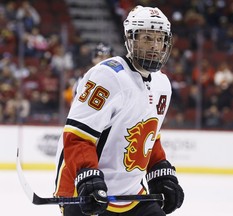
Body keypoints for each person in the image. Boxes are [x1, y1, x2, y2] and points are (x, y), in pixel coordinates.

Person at [53, 5, 184, 216]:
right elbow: (76, 137)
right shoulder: (107, 76)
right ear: (131, 38)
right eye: (147, 38)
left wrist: (160, 171)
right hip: (86, 192)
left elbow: (149, 137)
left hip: (132, 196)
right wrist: (88, 176)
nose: (155, 46)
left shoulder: (163, 84)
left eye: (160, 39)